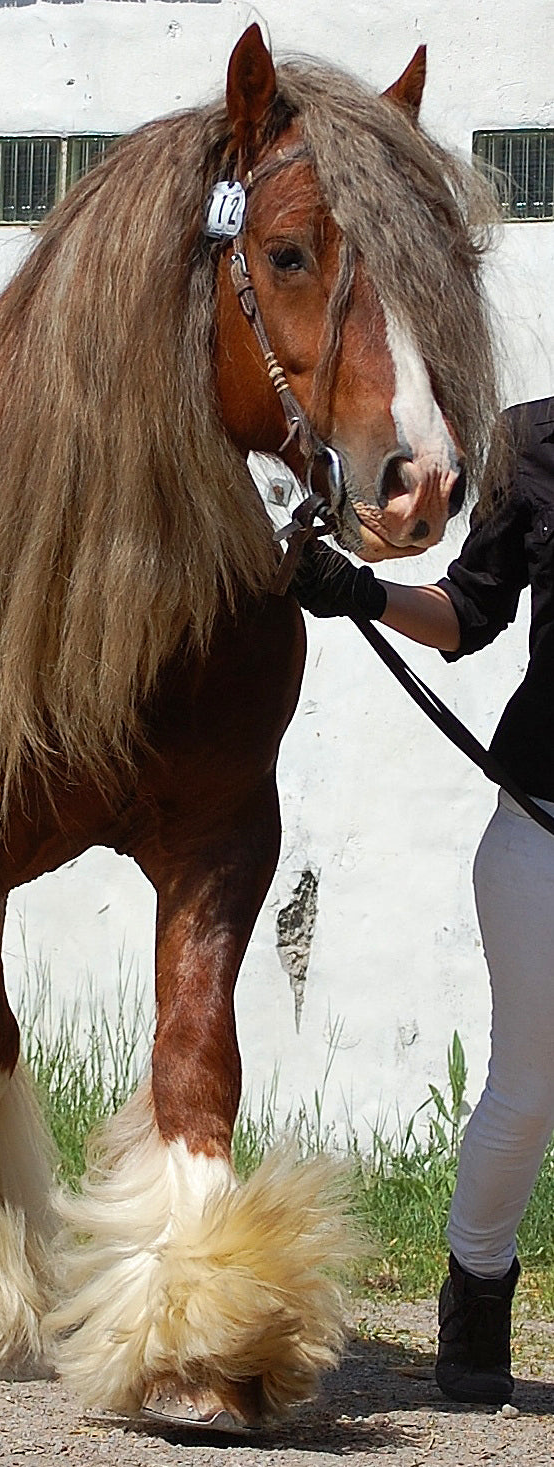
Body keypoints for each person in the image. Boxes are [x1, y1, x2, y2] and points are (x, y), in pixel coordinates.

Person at [292, 396, 554, 1405]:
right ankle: (477, 1296)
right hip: (540, 827)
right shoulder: (530, 446)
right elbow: (467, 613)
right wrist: (359, 594)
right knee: (526, 1095)